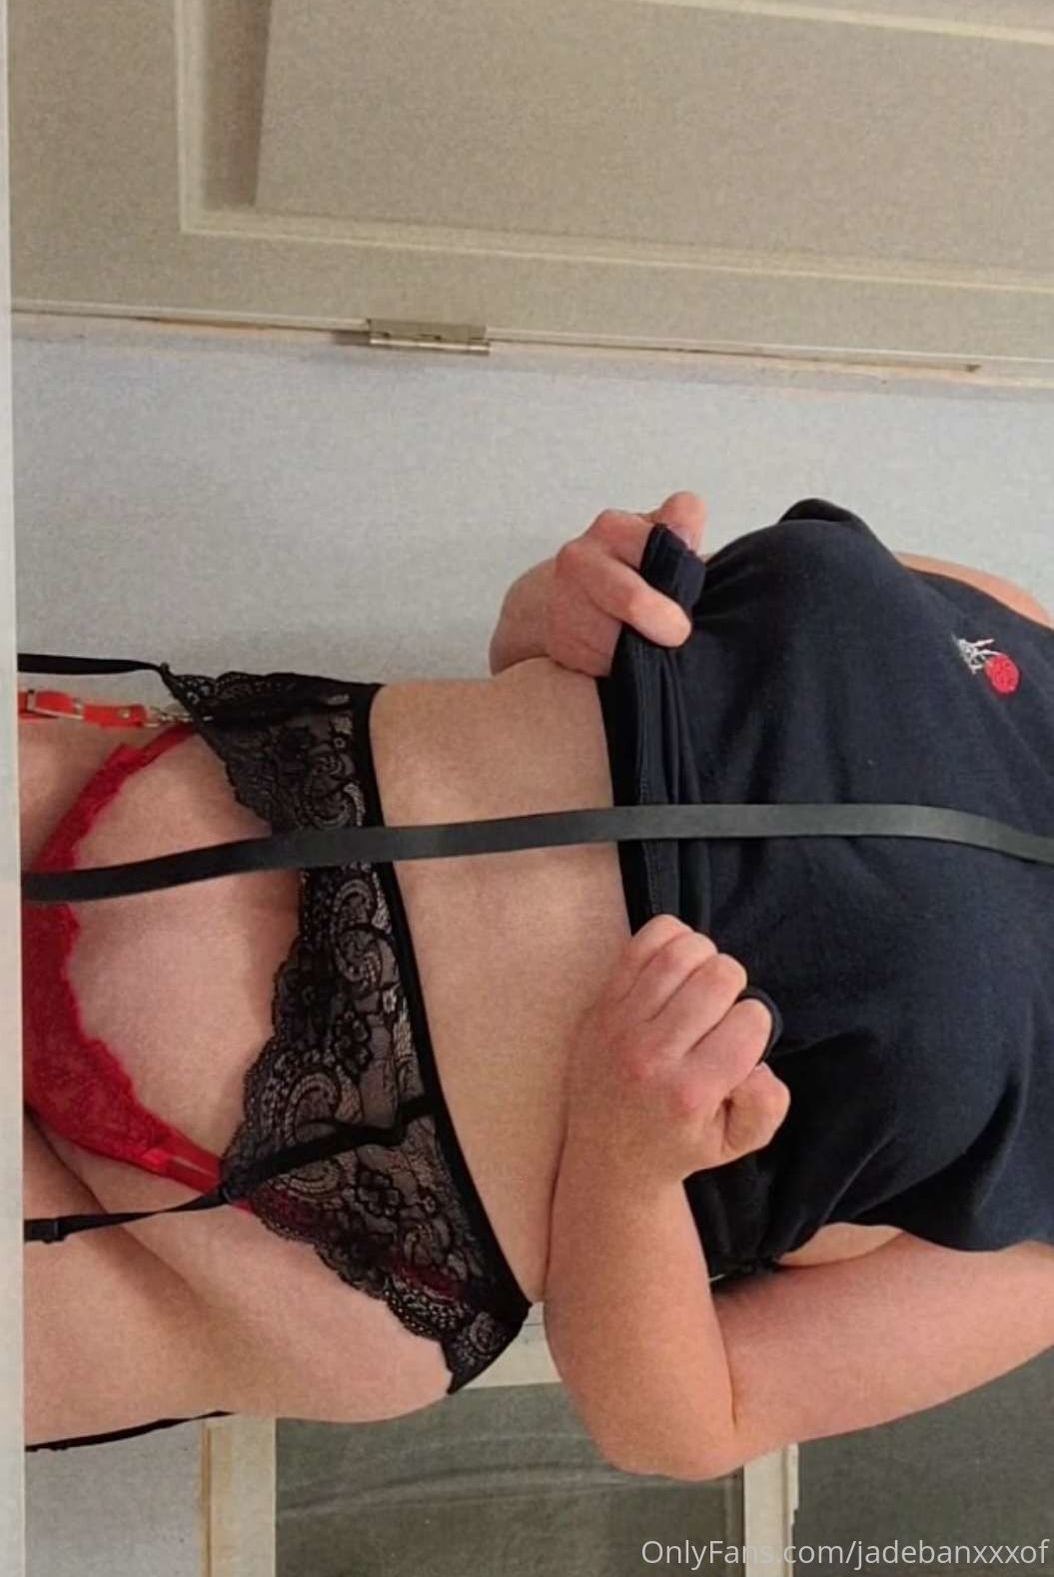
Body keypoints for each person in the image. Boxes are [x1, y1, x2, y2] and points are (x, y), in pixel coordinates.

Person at [19, 491, 1054, 1474]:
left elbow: (690, 1422)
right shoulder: (1012, 617)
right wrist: (562, 600)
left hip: (272, 1220)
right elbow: (557, 655)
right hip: (166, 789)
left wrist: (625, 1166)